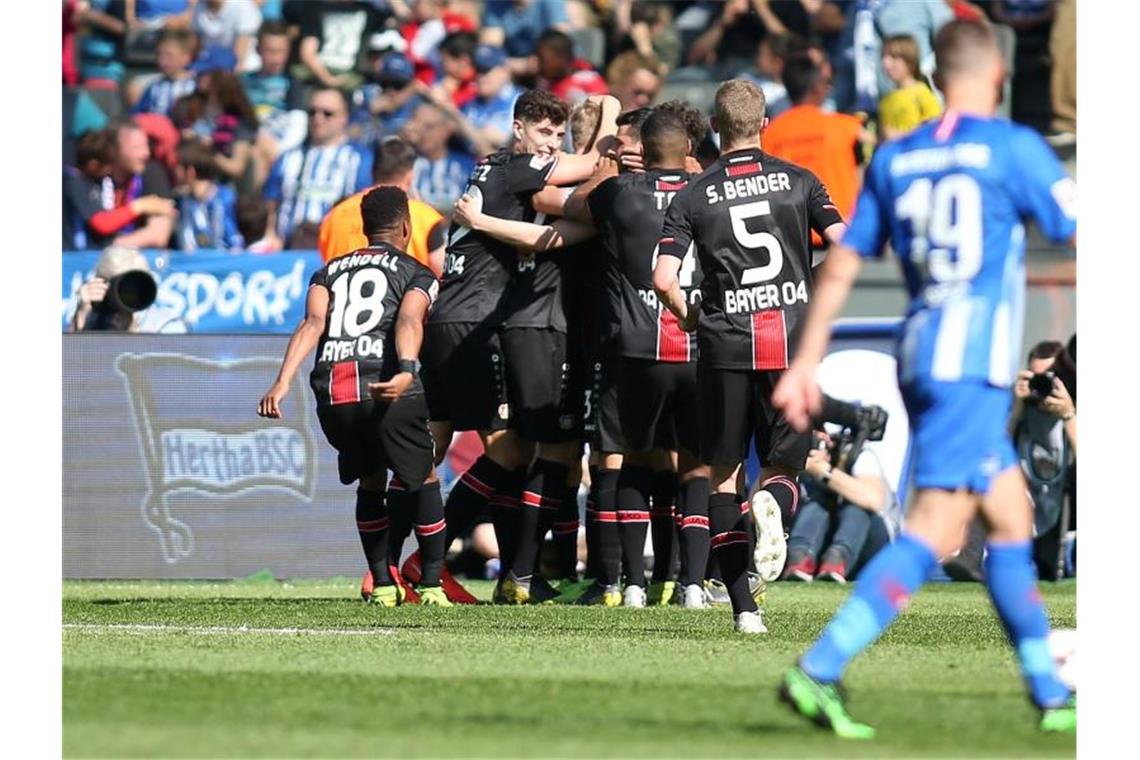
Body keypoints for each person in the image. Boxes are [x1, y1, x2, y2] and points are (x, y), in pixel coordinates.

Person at [771, 19, 1077, 737]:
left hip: (920, 351)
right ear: (999, 77)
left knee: (1009, 518)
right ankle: (820, 667)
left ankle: (1047, 691)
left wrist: (806, 359)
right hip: (969, 364)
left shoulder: (897, 156)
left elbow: (845, 260)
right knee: (936, 528)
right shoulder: (1013, 147)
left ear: (937, 78)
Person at [652, 78, 847, 634]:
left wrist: (691, 315)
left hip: (724, 344)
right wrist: (815, 296)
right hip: (790, 341)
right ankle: (774, 507)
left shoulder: (693, 194)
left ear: (714, 129)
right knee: (785, 466)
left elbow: (663, 277)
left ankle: (744, 611)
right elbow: (845, 239)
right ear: (765, 125)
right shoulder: (800, 181)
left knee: (721, 479)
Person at [418, 90, 619, 605]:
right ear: (519, 130)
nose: (552, 145)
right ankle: (429, 566)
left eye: (559, 135)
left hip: (469, 315)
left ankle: (511, 573)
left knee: (497, 449)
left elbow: (566, 222)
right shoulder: (522, 170)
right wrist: (612, 114)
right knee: (516, 450)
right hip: (482, 320)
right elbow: (589, 190)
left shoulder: (503, 169)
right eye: (545, 134)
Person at [257, 186, 450, 607]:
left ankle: (382, 585)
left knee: (370, 480)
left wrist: (281, 382)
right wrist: (406, 369)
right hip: (386, 384)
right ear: (405, 226)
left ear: (364, 228)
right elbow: (409, 320)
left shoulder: (328, 272)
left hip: (334, 388)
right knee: (424, 479)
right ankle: (432, 585)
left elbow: (312, 323)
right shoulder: (417, 273)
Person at [580, 109, 709, 609]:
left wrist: (610, 154)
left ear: (644, 150)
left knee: (632, 460)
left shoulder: (619, 194)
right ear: (688, 152)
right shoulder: (706, 193)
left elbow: (573, 202)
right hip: (697, 348)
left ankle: (633, 584)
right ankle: (692, 585)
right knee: (695, 468)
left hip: (635, 348)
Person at [783, 398, 899, 583]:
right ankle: (800, 558)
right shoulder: (789, 448)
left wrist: (822, 470)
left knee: (856, 505)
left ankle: (836, 559)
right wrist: (793, 464)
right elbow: (757, 506)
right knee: (816, 499)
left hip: (867, 545)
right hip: (810, 540)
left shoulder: (857, 453)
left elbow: (873, 499)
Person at [761, 53, 872, 243]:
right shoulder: (845, 126)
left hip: (790, 242)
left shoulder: (769, 134)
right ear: (817, 87)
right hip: (838, 235)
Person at [262, 87, 373, 249]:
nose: (318, 119)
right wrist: (270, 236)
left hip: (339, 253)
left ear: (345, 118)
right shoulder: (287, 158)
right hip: (289, 253)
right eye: (312, 112)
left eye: (327, 113)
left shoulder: (360, 160)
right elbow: (271, 203)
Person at [319, 136, 447, 275]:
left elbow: (325, 262)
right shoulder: (424, 216)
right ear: (410, 176)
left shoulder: (335, 215)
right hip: (405, 295)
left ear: (372, 171)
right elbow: (441, 270)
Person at [1011, 340, 1076, 580]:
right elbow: (990, 455)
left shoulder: (1075, 409)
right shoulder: (1017, 407)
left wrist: (1068, 415)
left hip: (1066, 517)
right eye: (1036, 378)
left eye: (1051, 377)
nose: (1044, 385)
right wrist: (1017, 407)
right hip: (1022, 514)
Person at [64, 128, 177, 250]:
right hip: (72, 258)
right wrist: (141, 206)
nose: (111, 171)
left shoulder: (92, 181)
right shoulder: (72, 182)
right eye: (108, 165)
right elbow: (102, 223)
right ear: (93, 166)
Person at [243, 20, 307, 185]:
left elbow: (298, 125)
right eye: (270, 51)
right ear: (258, 50)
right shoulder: (243, 82)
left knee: (259, 154)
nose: (276, 58)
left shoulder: (292, 83)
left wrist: (278, 149)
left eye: (281, 52)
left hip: (277, 145)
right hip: (246, 141)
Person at [106, 119, 178, 248]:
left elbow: (158, 236)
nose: (146, 153)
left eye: (146, 146)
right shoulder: (97, 176)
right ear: (113, 150)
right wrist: (140, 206)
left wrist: (108, 246)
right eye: (137, 147)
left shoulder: (152, 173)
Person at [291, 0, 389, 91]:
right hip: (316, 75)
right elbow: (307, 53)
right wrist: (328, 79)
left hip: (352, 78)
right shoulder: (314, 7)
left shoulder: (370, 12)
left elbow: (402, 15)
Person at [192, 62, 259, 183]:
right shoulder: (191, 108)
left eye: (205, 74)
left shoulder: (241, 121)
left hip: (220, 185)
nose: (198, 76)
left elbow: (236, 167)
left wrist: (209, 152)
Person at [173, 137, 242, 251]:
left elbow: (234, 242)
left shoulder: (225, 199)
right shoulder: (182, 201)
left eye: (179, 166)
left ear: (190, 172)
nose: (175, 170)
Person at [878, 34, 942, 140]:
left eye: (893, 57)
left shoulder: (922, 92)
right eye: (884, 57)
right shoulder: (885, 100)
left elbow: (935, 128)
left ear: (909, 60)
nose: (886, 63)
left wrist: (901, 136)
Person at [131, 27, 198, 117]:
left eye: (169, 56)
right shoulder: (154, 87)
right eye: (159, 55)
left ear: (185, 58)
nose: (162, 61)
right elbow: (139, 116)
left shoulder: (195, 87)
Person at [534, 29, 609, 104]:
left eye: (542, 59)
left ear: (561, 57)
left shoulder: (588, 80)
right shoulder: (545, 83)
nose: (537, 62)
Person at [192, 0, 261, 72]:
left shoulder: (243, 6)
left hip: (242, 67)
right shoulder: (199, 7)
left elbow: (240, 53)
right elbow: (197, 44)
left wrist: (235, 71)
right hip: (208, 63)